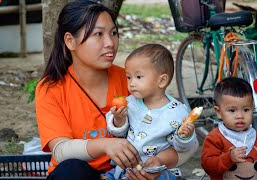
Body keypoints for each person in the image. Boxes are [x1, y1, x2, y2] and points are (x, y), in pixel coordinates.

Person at [35, 1, 193, 179]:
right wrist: (105, 145)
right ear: (70, 41)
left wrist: (156, 165)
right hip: (81, 174)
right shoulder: (51, 89)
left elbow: (174, 134)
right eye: (98, 34)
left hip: (128, 173)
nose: (110, 42)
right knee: (71, 170)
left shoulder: (131, 81)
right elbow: (61, 151)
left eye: (113, 33)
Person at [104, 44, 199, 179]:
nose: (131, 83)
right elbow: (117, 132)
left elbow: (183, 148)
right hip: (125, 169)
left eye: (138, 77)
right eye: (128, 77)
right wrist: (119, 120)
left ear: (162, 80)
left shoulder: (178, 112)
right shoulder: (129, 103)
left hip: (156, 171)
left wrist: (185, 136)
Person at [201, 77, 257, 179]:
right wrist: (228, 158)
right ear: (218, 112)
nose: (240, 116)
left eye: (246, 110)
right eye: (232, 110)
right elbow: (208, 167)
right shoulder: (214, 138)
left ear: (252, 108)